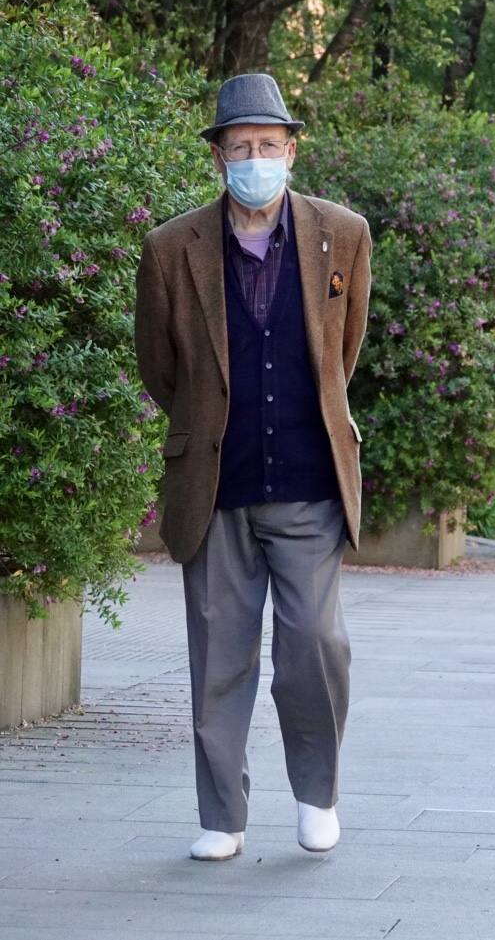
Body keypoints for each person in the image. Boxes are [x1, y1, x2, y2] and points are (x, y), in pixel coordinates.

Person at [135, 74, 371, 861]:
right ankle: (222, 816)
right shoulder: (171, 248)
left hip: (309, 481)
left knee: (314, 644)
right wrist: (205, 422)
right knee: (218, 657)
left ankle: (317, 794)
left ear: (292, 151)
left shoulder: (343, 233)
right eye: (241, 147)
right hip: (216, 483)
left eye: (269, 144)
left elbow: (344, 349)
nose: (256, 159)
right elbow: (159, 366)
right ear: (219, 158)